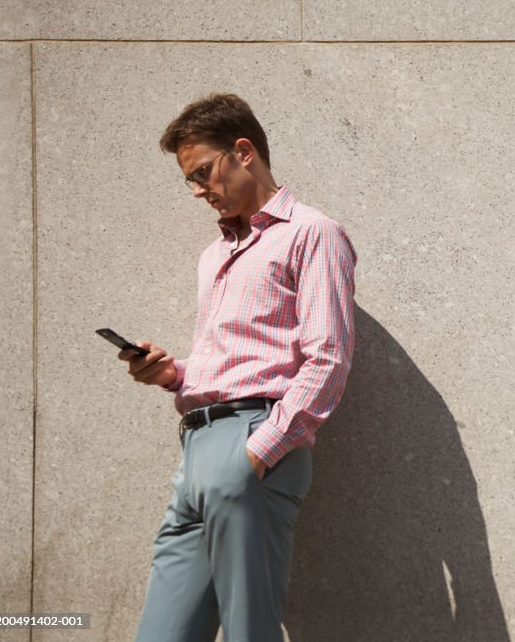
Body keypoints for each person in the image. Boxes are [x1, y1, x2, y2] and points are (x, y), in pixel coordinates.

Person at [119, 93, 357, 641]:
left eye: (204, 172)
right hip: (197, 453)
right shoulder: (216, 254)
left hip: (253, 446)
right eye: (191, 181)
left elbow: (329, 358)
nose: (199, 190)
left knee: (250, 632)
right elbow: (234, 360)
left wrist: (260, 452)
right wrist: (173, 374)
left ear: (243, 151)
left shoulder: (311, 233)